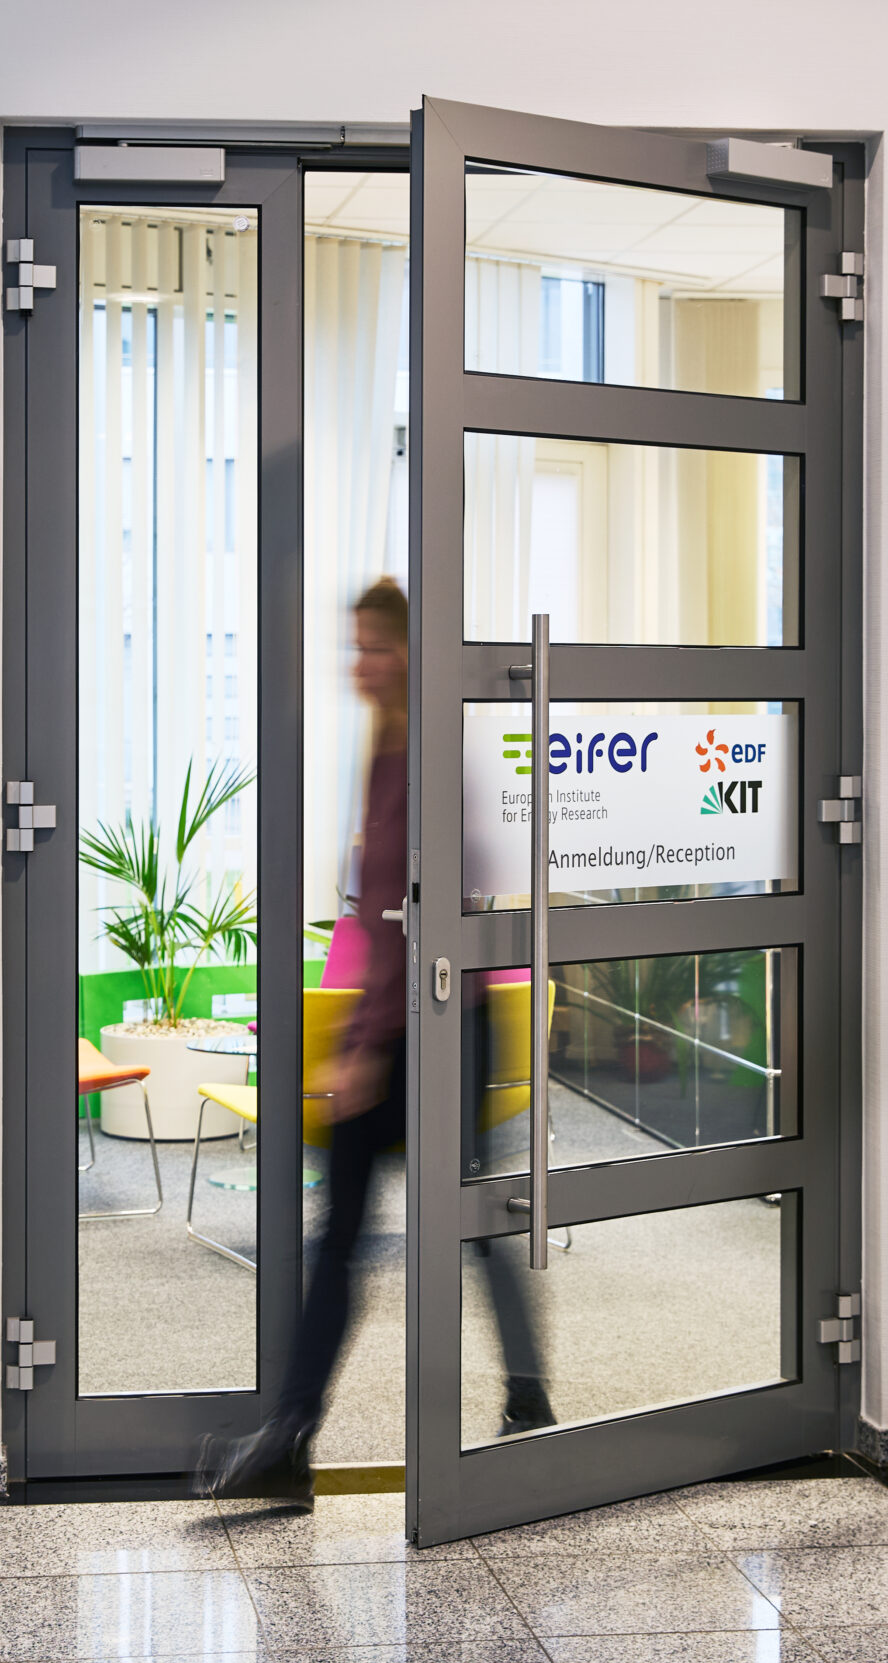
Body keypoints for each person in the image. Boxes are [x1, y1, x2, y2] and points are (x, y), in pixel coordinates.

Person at [194, 579, 549, 1505]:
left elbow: (432, 909)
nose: (361, 664)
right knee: (350, 1231)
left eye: (377, 647)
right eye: (355, 647)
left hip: (440, 1028)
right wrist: (362, 1031)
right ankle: (294, 1433)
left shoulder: (431, 755)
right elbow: (381, 912)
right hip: (397, 1027)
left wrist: (365, 1045)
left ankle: (526, 1406)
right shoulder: (383, 748)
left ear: (411, 654)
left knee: (463, 1221)